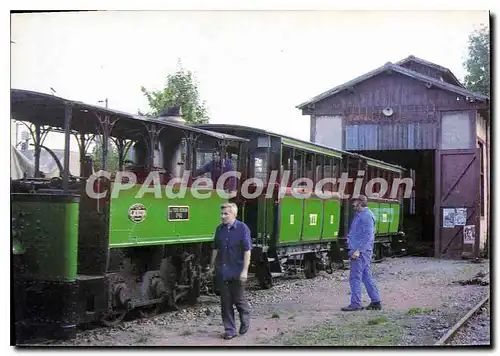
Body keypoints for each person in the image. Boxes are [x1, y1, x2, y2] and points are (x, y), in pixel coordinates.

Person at [209, 202, 252, 340]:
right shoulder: (219, 229)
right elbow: (215, 248)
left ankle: (245, 315)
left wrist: (245, 271)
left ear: (234, 214)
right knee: (225, 303)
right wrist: (212, 266)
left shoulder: (242, 228)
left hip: (237, 271)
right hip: (223, 270)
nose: (222, 216)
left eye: (226, 214)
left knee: (239, 300)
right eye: (221, 214)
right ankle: (230, 330)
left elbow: (247, 251)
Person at [341, 195, 382, 311]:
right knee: (366, 276)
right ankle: (376, 301)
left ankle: (355, 304)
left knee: (355, 277)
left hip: (360, 252)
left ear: (360, 203)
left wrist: (358, 251)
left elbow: (368, 236)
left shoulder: (367, 216)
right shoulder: (360, 215)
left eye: (355, 202)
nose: (353, 204)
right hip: (359, 250)